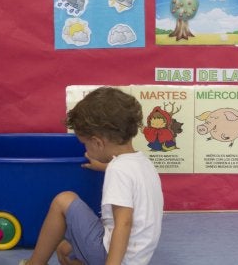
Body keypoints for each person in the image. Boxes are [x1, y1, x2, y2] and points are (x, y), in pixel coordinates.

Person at [20, 87, 164, 265]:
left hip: (115, 257)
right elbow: (129, 180)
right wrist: (104, 167)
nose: (85, 149)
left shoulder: (117, 170)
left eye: (85, 144)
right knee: (65, 250)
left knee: (63, 200)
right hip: (137, 258)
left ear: (97, 142)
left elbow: (124, 223)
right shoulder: (142, 164)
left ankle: (34, 263)